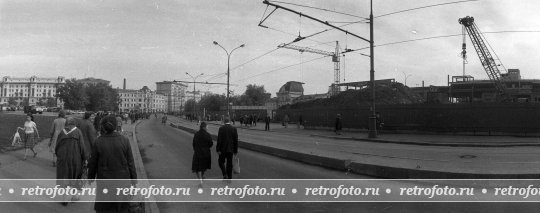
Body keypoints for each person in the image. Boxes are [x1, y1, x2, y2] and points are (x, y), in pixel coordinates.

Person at [88, 115, 137, 212]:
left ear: (103, 127)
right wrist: (134, 181)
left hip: (104, 181)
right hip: (123, 181)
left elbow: (93, 163)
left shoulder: (98, 141)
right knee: (122, 208)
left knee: (105, 208)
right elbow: (131, 163)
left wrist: (90, 178)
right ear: (116, 125)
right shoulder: (125, 140)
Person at [55, 117, 89, 205]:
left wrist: (59, 155)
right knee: (75, 177)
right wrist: (85, 158)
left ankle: (65, 198)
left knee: (65, 176)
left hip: (63, 158)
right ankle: (74, 196)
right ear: (75, 124)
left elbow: (57, 146)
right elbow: (82, 147)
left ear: (67, 124)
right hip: (75, 158)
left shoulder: (62, 132)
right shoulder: (78, 132)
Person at [216, 117, 238, 181]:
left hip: (222, 149)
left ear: (224, 121)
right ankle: (230, 177)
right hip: (230, 149)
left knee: (221, 162)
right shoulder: (234, 129)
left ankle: (224, 174)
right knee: (229, 164)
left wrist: (218, 149)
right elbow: (235, 141)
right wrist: (235, 150)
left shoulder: (221, 129)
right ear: (230, 121)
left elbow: (219, 140)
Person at [192, 122, 213, 187]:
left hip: (198, 153)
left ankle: (200, 180)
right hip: (206, 153)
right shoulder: (208, 135)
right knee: (203, 167)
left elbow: (194, 144)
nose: (207, 128)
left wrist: (196, 150)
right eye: (207, 127)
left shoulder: (196, 134)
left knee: (197, 168)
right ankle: (202, 178)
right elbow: (211, 144)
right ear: (204, 127)